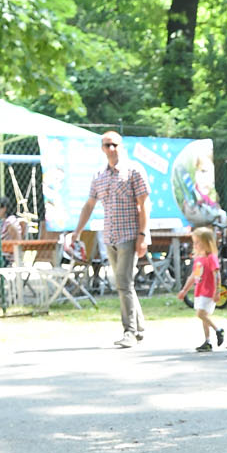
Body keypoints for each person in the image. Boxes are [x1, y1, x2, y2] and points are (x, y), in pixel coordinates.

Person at [73, 134, 149, 349]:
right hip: (110, 236)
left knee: (123, 283)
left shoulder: (134, 170)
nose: (111, 148)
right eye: (107, 145)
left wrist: (143, 235)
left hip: (130, 234)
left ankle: (129, 331)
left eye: (115, 144)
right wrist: (77, 231)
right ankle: (139, 328)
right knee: (125, 284)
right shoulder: (99, 175)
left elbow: (144, 204)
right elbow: (89, 205)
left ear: (121, 146)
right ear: (102, 148)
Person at [177, 226, 225, 353]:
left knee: (200, 314)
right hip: (200, 291)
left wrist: (217, 291)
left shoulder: (211, 258)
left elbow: (217, 275)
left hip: (209, 291)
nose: (195, 245)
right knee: (204, 317)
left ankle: (218, 330)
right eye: (194, 242)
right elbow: (194, 276)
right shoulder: (198, 259)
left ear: (207, 243)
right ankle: (207, 341)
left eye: (198, 242)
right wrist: (184, 290)